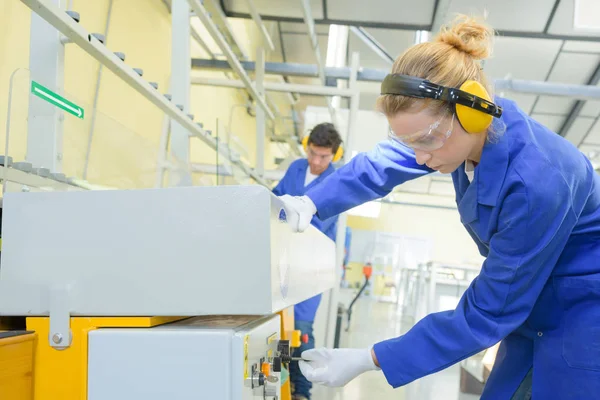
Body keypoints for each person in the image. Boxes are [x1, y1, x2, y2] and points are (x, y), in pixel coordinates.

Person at [279, 15, 600, 400]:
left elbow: (487, 312)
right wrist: (312, 200)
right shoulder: (450, 133)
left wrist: (371, 358)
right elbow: (383, 163)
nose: (419, 156)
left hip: (581, 316)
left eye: (425, 141)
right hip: (530, 315)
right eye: (409, 141)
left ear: (474, 110)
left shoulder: (539, 180)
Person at [272, 122, 342, 400]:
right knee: (276, 325)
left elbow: (319, 227)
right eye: (312, 153)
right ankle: (277, 385)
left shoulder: (337, 182)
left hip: (310, 268)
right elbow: (275, 197)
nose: (315, 161)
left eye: (323, 156)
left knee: (302, 329)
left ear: (334, 155)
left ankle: (302, 392)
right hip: (281, 264)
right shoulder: (296, 168)